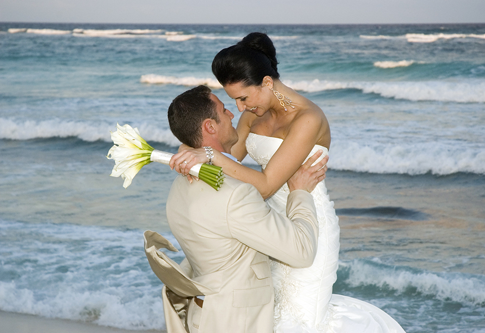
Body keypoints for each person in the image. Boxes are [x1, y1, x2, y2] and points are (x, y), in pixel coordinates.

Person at [170, 33, 406, 332]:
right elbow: (227, 151)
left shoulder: (307, 118)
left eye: (243, 98)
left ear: (267, 83)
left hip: (310, 226)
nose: (240, 108)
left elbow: (265, 184)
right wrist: (187, 151)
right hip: (269, 228)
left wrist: (207, 156)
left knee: (302, 320)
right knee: (275, 317)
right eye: (233, 101)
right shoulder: (254, 114)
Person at [164, 85, 329, 333]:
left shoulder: (178, 187)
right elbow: (301, 252)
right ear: (210, 126)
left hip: (203, 313)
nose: (233, 114)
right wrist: (299, 192)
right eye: (224, 110)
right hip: (234, 322)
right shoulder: (235, 195)